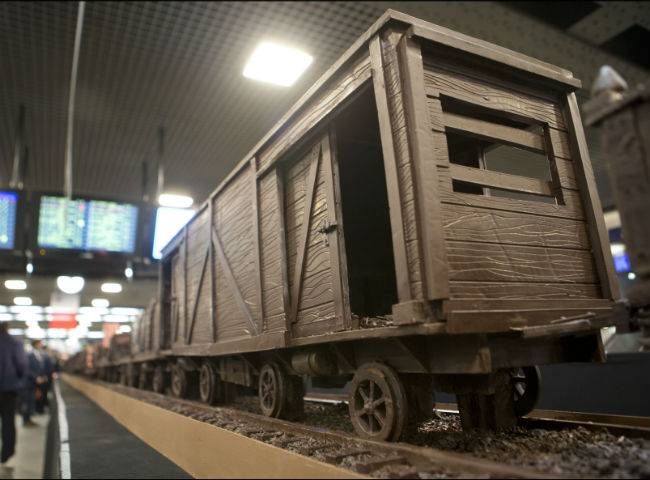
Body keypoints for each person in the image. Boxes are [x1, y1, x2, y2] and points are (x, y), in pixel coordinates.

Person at [0, 321, 27, 467]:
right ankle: (6, 453)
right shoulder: (15, 343)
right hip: (9, 389)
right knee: (8, 422)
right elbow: (22, 364)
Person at [20, 340, 45, 427]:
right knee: (27, 402)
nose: (42, 345)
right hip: (28, 383)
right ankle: (25, 420)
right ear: (36, 344)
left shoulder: (37, 354)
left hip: (32, 383)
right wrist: (36, 377)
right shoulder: (29, 355)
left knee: (31, 401)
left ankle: (28, 419)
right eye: (40, 343)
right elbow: (27, 369)